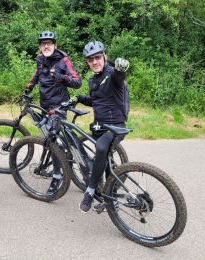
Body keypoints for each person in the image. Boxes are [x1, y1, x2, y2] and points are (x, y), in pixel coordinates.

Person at [73, 41, 130, 213]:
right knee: (102, 155)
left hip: (115, 125)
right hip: (100, 125)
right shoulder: (93, 80)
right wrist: (78, 97)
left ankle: (89, 191)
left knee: (101, 148)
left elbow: (120, 77)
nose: (95, 62)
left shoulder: (112, 75)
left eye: (98, 57)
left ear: (105, 56)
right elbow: (96, 101)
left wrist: (122, 68)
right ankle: (109, 194)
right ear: (87, 62)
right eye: (90, 60)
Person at [26, 31, 81, 192]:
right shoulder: (41, 60)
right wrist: (27, 89)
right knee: (48, 137)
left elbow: (77, 82)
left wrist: (62, 78)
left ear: (55, 45)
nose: (46, 46)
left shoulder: (63, 60)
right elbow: (36, 76)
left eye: (49, 43)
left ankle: (58, 176)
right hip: (44, 105)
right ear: (40, 46)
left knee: (51, 140)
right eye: (43, 43)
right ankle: (60, 159)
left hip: (59, 106)